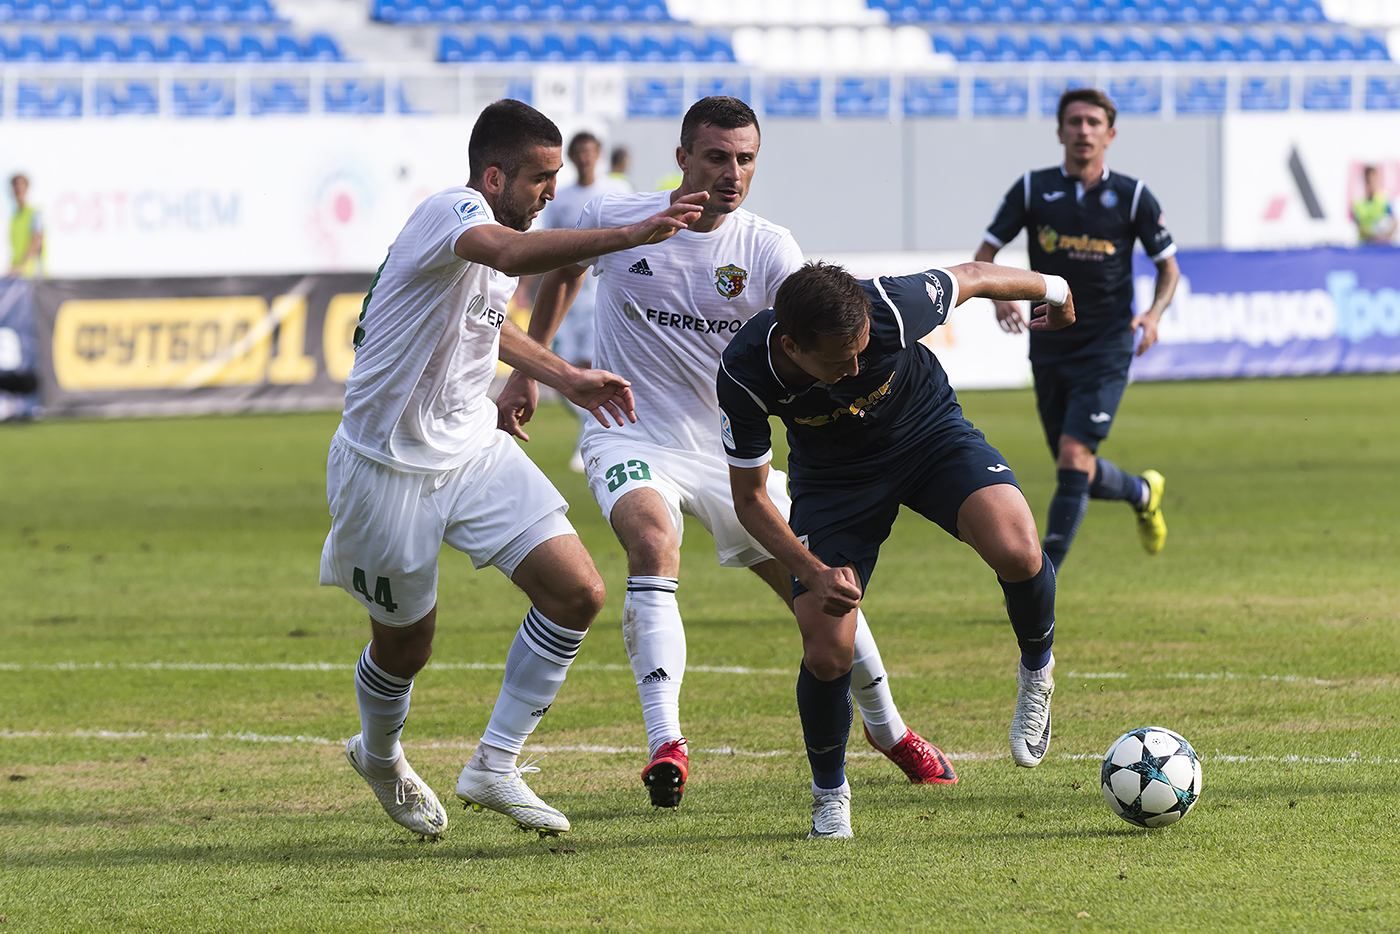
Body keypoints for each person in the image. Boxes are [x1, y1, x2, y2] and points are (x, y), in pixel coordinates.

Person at [496, 96, 955, 812]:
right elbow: (564, 275)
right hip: (631, 433)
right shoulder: (617, 218)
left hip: (732, 451)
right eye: (716, 156)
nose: (732, 172)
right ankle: (666, 743)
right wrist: (530, 368)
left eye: (745, 159)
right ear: (682, 158)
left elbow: (813, 343)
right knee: (651, 541)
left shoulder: (768, 248)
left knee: (822, 594)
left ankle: (889, 730)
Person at [320, 99, 706, 840]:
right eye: (539, 177)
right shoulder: (454, 212)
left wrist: (563, 376)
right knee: (407, 645)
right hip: (384, 466)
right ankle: (379, 753)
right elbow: (504, 253)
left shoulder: (498, 240)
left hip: (471, 446)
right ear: (493, 176)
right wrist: (625, 234)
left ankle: (495, 765)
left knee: (578, 592)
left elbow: (491, 327)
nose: (551, 191)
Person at [717, 260, 1076, 839]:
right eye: (841, 361)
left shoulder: (889, 305)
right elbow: (752, 498)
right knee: (828, 648)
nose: (858, 367)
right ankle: (829, 796)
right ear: (793, 346)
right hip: (837, 481)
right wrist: (811, 571)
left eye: (864, 351)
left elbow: (977, 276)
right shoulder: (744, 372)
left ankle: (1038, 670)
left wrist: (1057, 291)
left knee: (1018, 548)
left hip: (927, 434)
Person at [974, 87, 1179, 573]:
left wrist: (1152, 315)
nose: (1083, 131)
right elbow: (984, 256)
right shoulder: (1031, 188)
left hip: (1107, 344)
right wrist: (999, 300)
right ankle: (1142, 491)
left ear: (1110, 134)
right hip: (1048, 340)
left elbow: (1169, 269)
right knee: (1077, 470)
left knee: (1072, 454)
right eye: (1075, 122)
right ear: (1060, 131)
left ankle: (1045, 574)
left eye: (1093, 123)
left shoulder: (1132, 196)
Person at [538, 131, 633, 472]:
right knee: (565, 371)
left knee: (597, 368)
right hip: (569, 299)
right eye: (578, 151)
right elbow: (550, 246)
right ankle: (591, 431)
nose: (584, 157)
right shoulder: (561, 198)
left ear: (599, 154)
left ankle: (592, 441)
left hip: (603, 294)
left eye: (590, 150)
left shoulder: (617, 191)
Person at [8, 174, 45, 279]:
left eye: (21, 187)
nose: (18, 190)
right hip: (18, 277)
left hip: (34, 277)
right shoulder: (14, 218)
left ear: (27, 189)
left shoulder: (35, 213)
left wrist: (21, 266)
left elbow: (37, 241)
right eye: (16, 188)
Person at [1351, 165, 1396, 245]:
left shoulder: (1384, 201)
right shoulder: (1358, 204)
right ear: (1365, 181)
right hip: (1364, 247)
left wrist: (1385, 236)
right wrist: (1374, 237)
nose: (1372, 183)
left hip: (1382, 247)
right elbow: (1359, 227)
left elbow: (1394, 222)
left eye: (1374, 180)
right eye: (1369, 180)